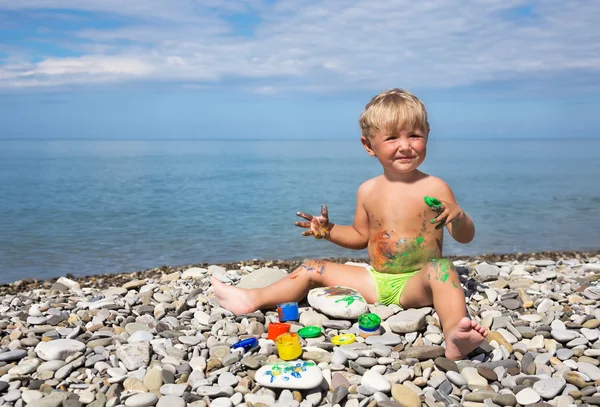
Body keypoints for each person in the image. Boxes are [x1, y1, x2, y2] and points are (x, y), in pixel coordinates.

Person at [211, 88, 488, 360]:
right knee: (311, 267)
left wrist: (459, 216)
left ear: (427, 135)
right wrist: (328, 231)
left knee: (442, 268)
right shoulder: (367, 191)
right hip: (375, 280)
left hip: (416, 284)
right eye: (392, 138)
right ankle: (253, 298)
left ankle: (454, 335)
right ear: (369, 146)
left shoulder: (436, 187)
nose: (405, 145)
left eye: (414, 135)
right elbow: (360, 237)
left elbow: (465, 237)